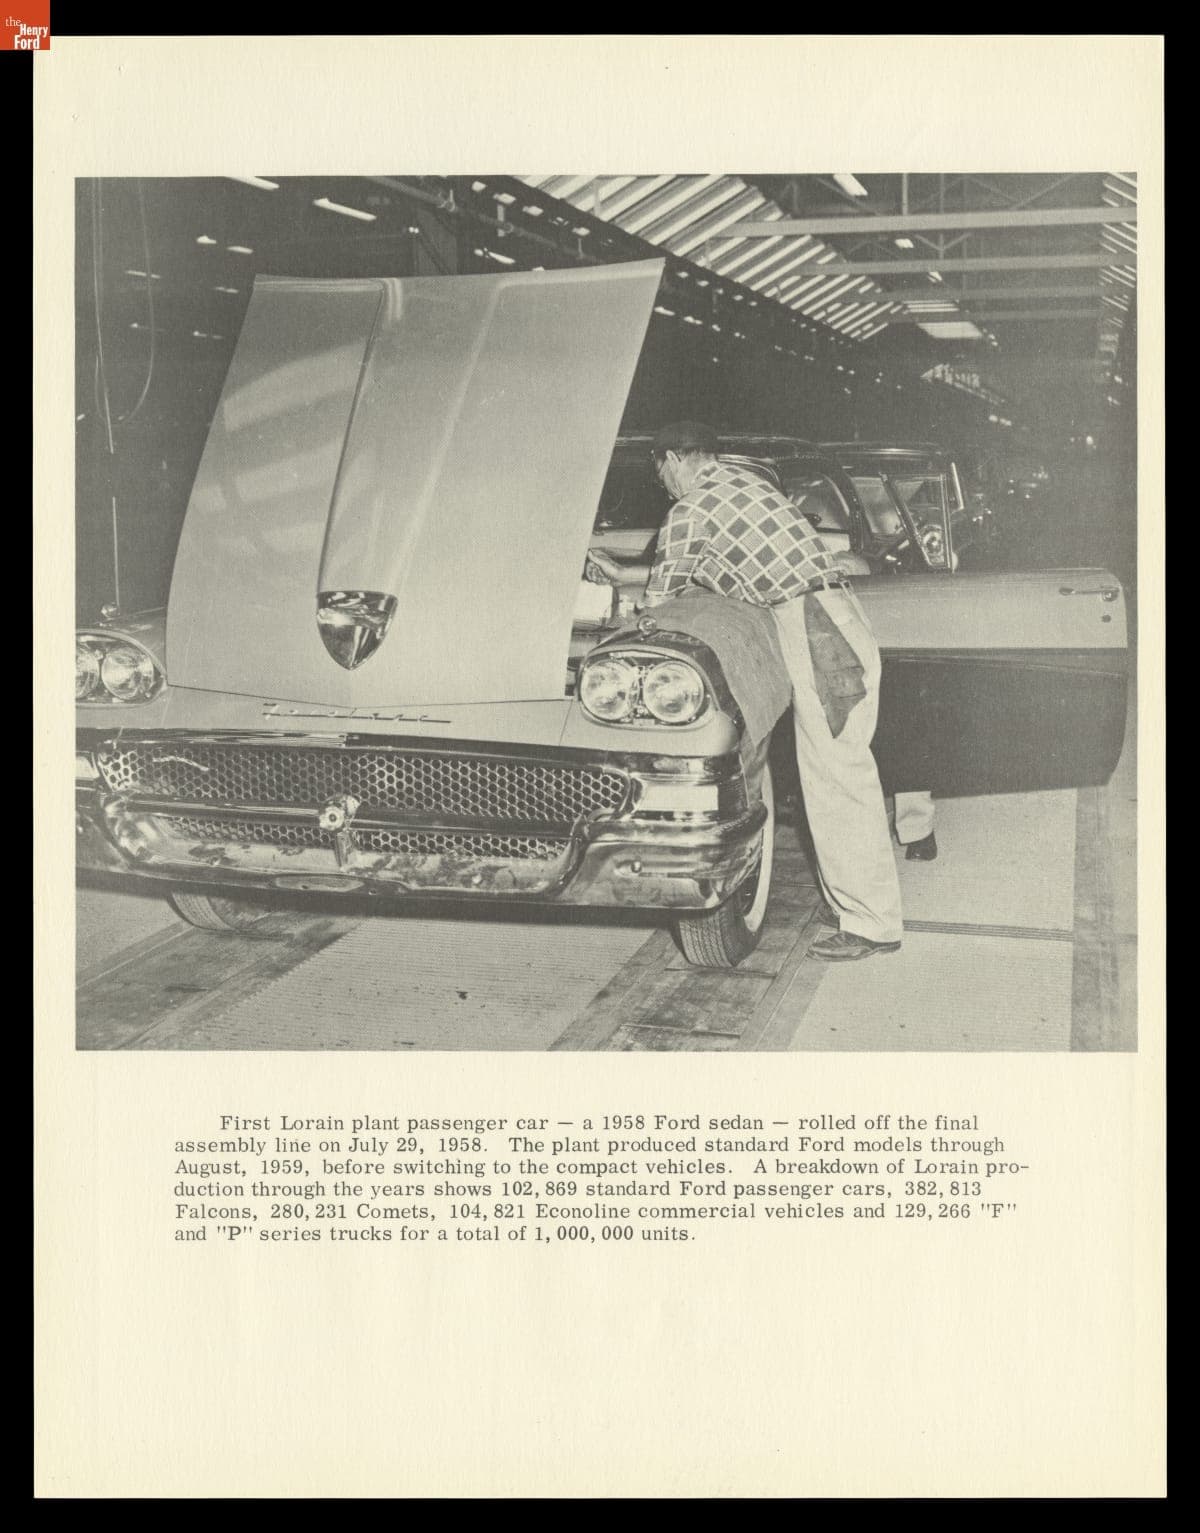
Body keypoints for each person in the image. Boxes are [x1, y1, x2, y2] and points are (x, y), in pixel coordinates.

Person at [589, 422, 902, 961]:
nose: (662, 484)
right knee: (837, 771)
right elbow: (709, 561)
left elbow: (660, 602)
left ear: (671, 460)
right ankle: (858, 904)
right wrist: (624, 570)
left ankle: (872, 924)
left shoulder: (689, 511)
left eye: (659, 470)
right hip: (834, 616)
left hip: (814, 631)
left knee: (837, 776)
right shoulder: (745, 482)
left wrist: (621, 590)